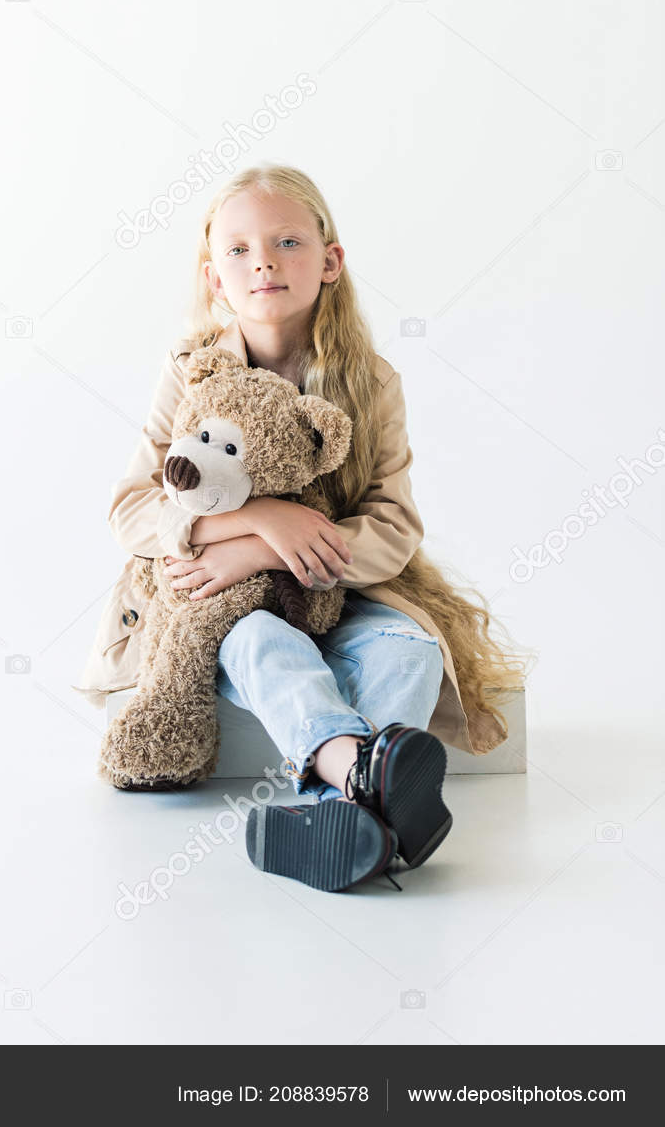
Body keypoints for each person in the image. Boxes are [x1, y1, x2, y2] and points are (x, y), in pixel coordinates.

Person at [78, 162, 533, 894]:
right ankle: (369, 795)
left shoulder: (370, 381)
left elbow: (393, 523)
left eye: (287, 241)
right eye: (238, 249)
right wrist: (259, 516)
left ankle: (336, 809)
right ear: (212, 277)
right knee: (261, 642)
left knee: (411, 651)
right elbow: (133, 506)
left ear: (330, 262)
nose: (262, 260)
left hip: (340, 592)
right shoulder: (191, 373)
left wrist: (272, 548)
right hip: (221, 607)